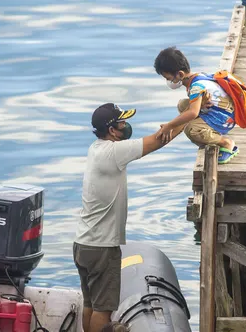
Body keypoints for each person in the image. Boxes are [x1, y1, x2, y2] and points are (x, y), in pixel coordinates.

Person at [73, 103, 187, 332]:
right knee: (103, 308)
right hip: (102, 247)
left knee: (90, 304)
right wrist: (189, 118)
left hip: (83, 243)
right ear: (112, 130)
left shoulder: (96, 149)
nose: (126, 126)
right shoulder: (114, 152)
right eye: (122, 123)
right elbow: (159, 140)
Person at [154, 46, 239, 164]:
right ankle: (209, 131)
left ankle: (225, 142)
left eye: (169, 78)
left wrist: (169, 125)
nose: (170, 82)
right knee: (183, 105)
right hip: (222, 110)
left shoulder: (196, 87)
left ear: (180, 74)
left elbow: (193, 113)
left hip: (225, 119)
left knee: (192, 130)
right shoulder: (198, 76)